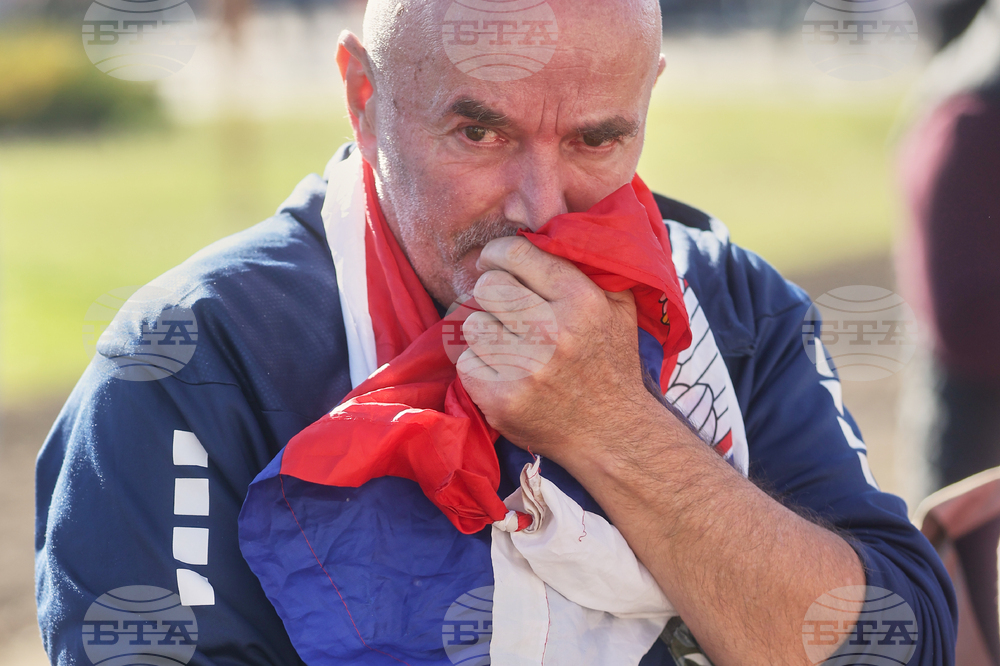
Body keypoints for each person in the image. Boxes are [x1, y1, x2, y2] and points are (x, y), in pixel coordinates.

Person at [36, 0, 956, 664]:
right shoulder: (192, 356)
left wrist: (612, 426)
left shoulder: (733, 302)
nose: (537, 206)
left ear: (650, 97)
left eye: (597, 139)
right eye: (479, 133)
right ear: (362, 93)